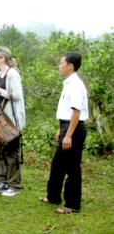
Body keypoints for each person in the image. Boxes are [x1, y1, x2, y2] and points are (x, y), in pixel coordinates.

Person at [40, 52, 88, 214]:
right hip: (66, 126)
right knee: (58, 164)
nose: (59, 66)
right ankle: (53, 196)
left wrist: (68, 135)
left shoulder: (75, 84)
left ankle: (73, 204)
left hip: (74, 128)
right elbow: (67, 111)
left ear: (70, 66)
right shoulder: (68, 82)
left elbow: (76, 112)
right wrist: (60, 129)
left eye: (61, 63)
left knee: (73, 167)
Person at [0, 46, 26, 197]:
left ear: (2, 58)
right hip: (1, 118)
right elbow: (2, 95)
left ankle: (14, 185)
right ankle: (3, 181)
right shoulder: (0, 74)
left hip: (11, 118)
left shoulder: (12, 73)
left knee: (12, 152)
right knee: (0, 150)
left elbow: (16, 95)